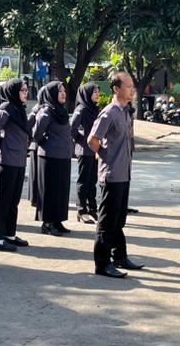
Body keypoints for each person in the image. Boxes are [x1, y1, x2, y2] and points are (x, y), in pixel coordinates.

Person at [88, 72, 146, 279]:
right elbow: (92, 140)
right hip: (111, 174)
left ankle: (119, 256)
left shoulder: (126, 112)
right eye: (128, 86)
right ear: (116, 89)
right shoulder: (109, 113)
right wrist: (105, 156)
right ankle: (102, 264)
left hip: (124, 172)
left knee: (118, 219)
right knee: (106, 221)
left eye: (133, 86)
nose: (132, 89)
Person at [0, 79, 30, 251]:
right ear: (13, 92)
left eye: (26, 90)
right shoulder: (6, 108)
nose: (25, 93)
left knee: (14, 199)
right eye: (22, 90)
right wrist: (2, 144)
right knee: (3, 199)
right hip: (6, 159)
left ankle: (9, 233)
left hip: (19, 159)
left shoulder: (19, 109)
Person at [33, 81, 73, 235]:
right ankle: (48, 223)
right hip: (49, 157)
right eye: (59, 91)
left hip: (63, 156)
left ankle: (58, 220)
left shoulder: (61, 111)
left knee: (61, 190)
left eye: (64, 91)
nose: (63, 94)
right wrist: (46, 142)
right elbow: (36, 135)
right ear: (51, 94)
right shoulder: (46, 112)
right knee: (49, 191)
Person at [70, 83, 101, 224]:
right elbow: (72, 128)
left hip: (95, 150)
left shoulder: (95, 109)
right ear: (87, 94)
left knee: (93, 181)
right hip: (84, 150)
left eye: (98, 92)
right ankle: (81, 210)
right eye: (94, 92)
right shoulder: (81, 109)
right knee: (83, 181)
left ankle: (92, 209)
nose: (97, 94)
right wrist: (80, 140)